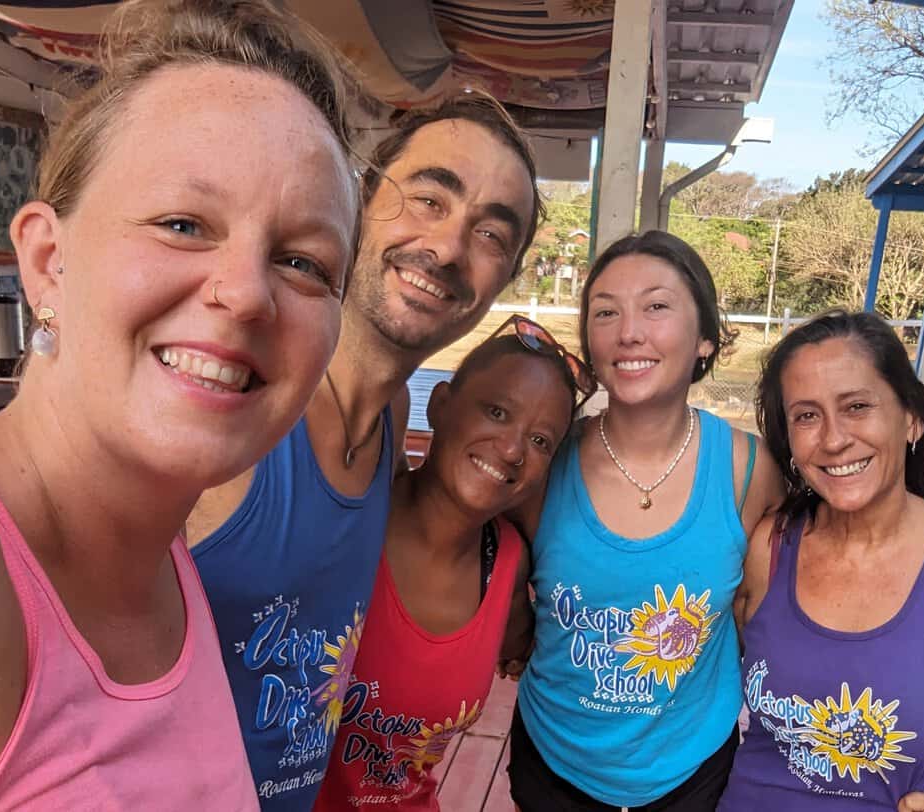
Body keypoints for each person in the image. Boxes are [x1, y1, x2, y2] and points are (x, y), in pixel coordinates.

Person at [0, 0, 360, 808]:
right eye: (184, 223)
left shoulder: (166, 556)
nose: (248, 292)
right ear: (47, 262)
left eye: (303, 262)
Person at [185, 92, 543, 810]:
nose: (446, 248)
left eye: (492, 235)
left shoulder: (390, 424)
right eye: (428, 198)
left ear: (502, 281)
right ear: (360, 195)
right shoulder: (230, 392)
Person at [510, 230, 785, 811]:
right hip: (553, 767)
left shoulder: (748, 471)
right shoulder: (547, 459)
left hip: (690, 775)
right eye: (605, 311)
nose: (628, 331)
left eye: (657, 306)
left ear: (707, 338)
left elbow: (765, 617)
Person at [717, 310, 924, 812]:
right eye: (807, 415)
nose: (833, 439)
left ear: (911, 417)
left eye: (856, 406)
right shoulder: (768, 549)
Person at [315, 317, 591, 811]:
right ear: (439, 404)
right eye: (497, 411)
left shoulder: (507, 567)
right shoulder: (349, 516)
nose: (511, 450)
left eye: (541, 441)